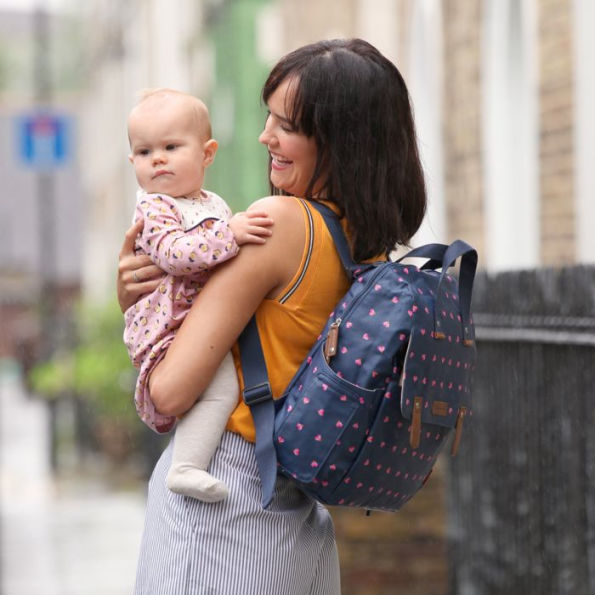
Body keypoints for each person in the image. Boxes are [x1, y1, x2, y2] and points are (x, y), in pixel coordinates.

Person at [118, 39, 427, 594]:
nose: (266, 137)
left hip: (221, 503)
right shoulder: (371, 245)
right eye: (269, 119)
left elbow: (168, 393)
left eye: (286, 126)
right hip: (298, 510)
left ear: (337, 141)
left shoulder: (279, 225)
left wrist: (136, 312)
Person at [124, 88, 273, 502]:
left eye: (171, 147)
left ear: (207, 154)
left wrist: (231, 231)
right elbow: (175, 255)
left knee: (224, 386)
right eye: (143, 151)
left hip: (196, 319)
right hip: (167, 327)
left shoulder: (211, 203)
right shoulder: (153, 208)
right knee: (220, 389)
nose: (157, 158)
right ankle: (186, 466)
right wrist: (231, 234)